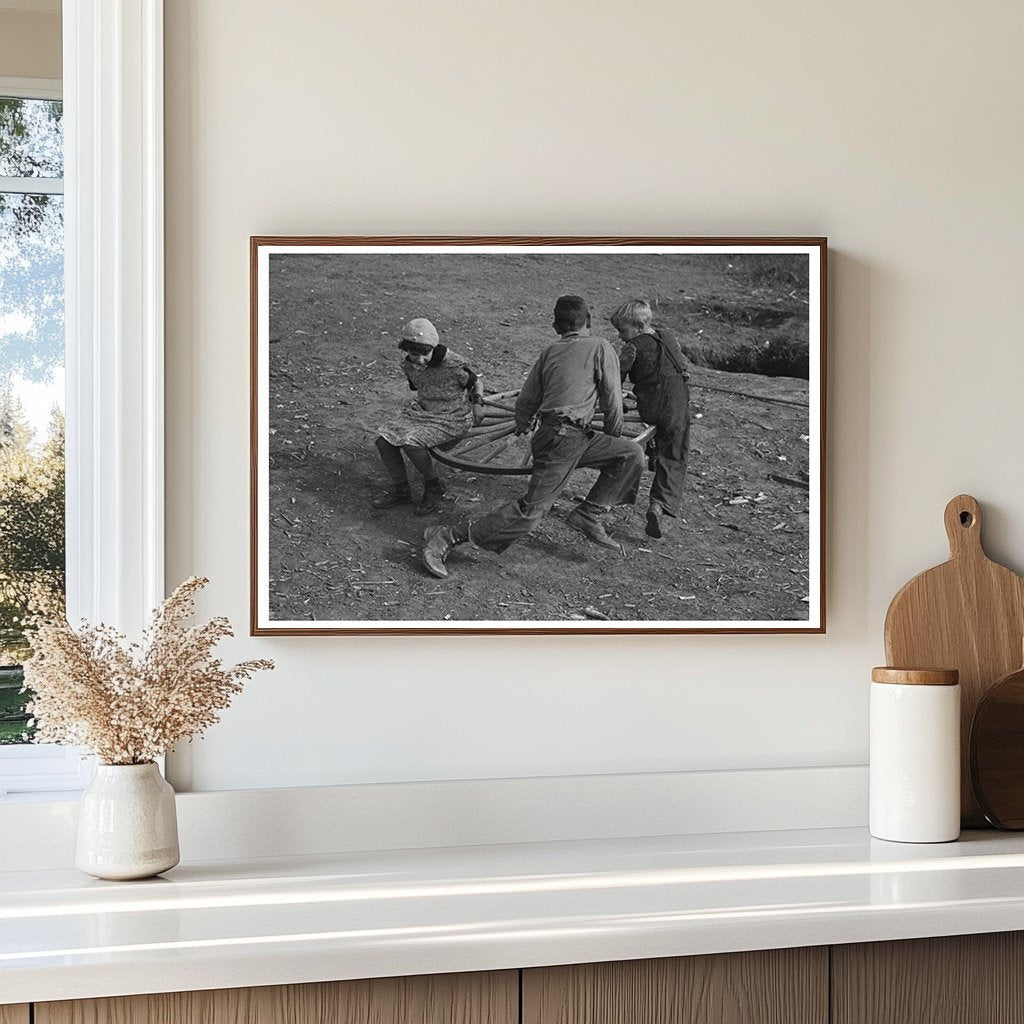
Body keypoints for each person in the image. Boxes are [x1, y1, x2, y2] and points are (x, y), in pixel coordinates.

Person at [421, 295, 644, 578]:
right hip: (565, 439)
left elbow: (526, 400)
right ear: (589, 321)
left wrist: (523, 423)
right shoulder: (601, 346)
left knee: (630, 453)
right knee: (531, 513)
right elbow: (612, 400)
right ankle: (447, 536)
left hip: (564, 436)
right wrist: (612, 436)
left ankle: (590, 513)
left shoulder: (550, 351)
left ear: (555, 326)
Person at [372, 317, 484, 516]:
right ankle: (402, 490)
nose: (420, 360)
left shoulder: (452, 365)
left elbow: (476, 382)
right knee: (383, 441)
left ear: (434, 349)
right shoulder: (409, 366)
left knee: (411, 443)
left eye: (425, 354)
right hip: (423, 412)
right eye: (414, 354)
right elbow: (418, 386)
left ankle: (434, 485)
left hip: (452, 415)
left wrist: (477, 404)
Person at [609, 298, 691, 539]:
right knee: (675, 453)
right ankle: (658, 504)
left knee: (655, 430)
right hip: (678, 403)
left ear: (638, 326)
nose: (621, 337)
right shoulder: (669, 338)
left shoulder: (632, 347)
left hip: (652, 405)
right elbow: (683, 369)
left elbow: (617, 378)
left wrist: (616, 401)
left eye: (623, 331)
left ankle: (651, 452)